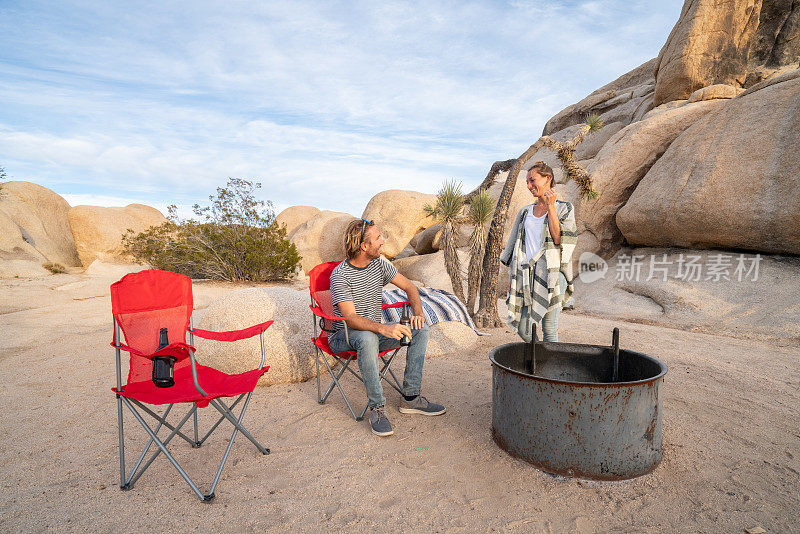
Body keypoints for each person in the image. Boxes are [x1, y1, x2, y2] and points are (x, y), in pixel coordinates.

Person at [328, 218, 446, 437]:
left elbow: (410, 287)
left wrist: (418, 314)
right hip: (343, 336)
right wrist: (383, 329)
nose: (382, 241)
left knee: (419, 330)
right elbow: (351, 318)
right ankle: (376, 407)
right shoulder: (340, 275)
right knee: (366, 338)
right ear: (364, 246)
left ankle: (410, 397)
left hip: (373, 332)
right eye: (378, 237)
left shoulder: (379, 265)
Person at [500, 161, 577, 343]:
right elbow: (516, 246)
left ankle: (546, 368)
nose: (529, 186)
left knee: (549, 328)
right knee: (523, 327)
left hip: (553, 274)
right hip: (527, 275)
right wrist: (513, 275)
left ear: (547, 178)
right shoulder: (525, 212)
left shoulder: (565, 208)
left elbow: (560, 239)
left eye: (532, 180)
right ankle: (541, 357)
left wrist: (550, 206)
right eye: (527, 182)